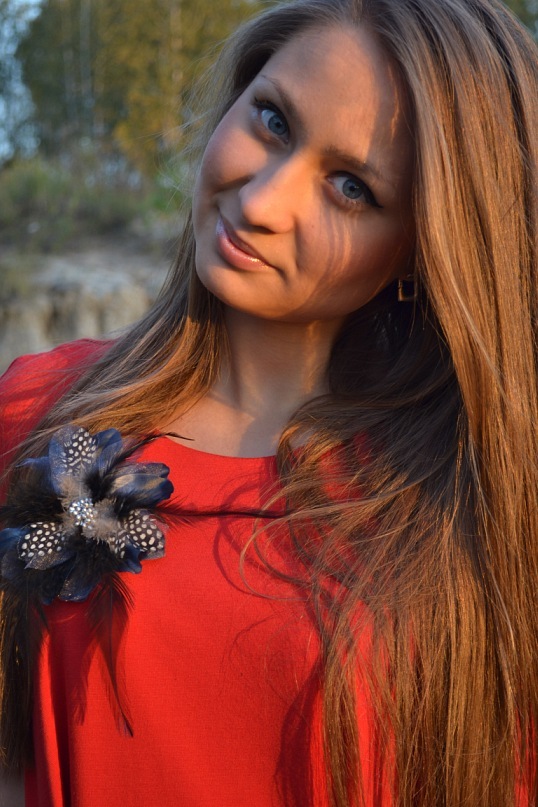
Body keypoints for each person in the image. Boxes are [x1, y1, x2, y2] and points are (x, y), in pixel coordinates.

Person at [0, 0, 536, 804]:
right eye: (274, 120)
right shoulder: (35, 409)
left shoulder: (471, 506)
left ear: (423, 247)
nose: (261, 203)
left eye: (351, 188)